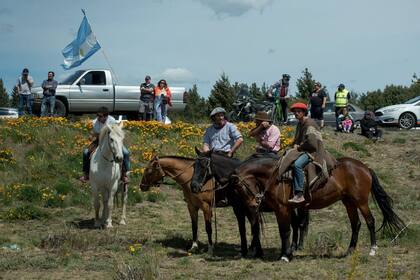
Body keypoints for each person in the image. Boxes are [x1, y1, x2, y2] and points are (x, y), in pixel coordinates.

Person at [288, 103, 328, 204]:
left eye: (298, 112)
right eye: (295, 112)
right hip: (304, 149)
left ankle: (299, 193)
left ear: (304, 112)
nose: (296, 114)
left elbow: (312, 143)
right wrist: (292, 145)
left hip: (313, 151)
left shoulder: (309, 123)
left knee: (297, 165)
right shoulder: (300, 123)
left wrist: (299, 147)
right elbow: (297, 138)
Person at [79, 107, 130, 183]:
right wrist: (92, 136)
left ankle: (124, 174)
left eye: (100, 116)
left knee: (126, 153)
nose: (98, 118)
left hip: (113, 141)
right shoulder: (95, 122)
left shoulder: (112, 120)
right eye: (97, 115)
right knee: (86, 152)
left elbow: (115, 132)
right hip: (99, 140)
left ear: (106, 116)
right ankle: (86, 174)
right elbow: (95, 133)